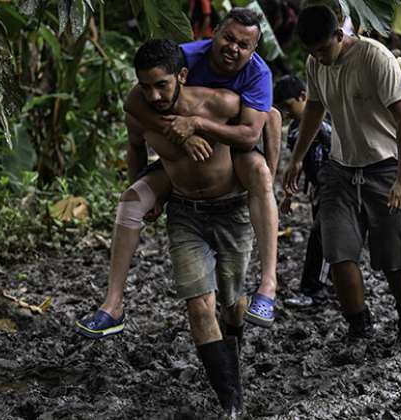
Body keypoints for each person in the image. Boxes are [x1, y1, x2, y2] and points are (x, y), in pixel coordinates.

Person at [75, 8, 281, 339]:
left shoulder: (252, 80)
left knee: (259, 171)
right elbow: (135, 106)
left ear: (253, 50)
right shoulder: (180, 58)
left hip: (231, 160)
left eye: (244, 45)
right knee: (131, 199)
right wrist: (180, 135)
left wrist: (197, 125)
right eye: (228, 37)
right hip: (179, 171)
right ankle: (112, 305)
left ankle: (268, 286)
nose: (233, 48)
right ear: (214, 32)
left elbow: (254, 131)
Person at [120, 39, 248, 417]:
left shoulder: (219, 103)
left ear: (182, 76)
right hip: (185, 212)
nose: (154, 95)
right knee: (197, 305)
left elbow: (263, 124)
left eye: (161, 85)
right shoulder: (139, 113)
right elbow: (135, 147)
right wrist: (149, 191)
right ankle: (230, 402)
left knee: (232, 304)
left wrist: (266, 182)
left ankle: (233, 350)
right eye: (145, 86)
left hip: (232, 210)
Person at [283, 5, 401, 339]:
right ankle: (359, 326)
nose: (318, 56)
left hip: (387, 166)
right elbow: (314, 108)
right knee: (339, 254)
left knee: (396, 262)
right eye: (311, 51)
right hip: (341, 170)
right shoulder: (315, 63)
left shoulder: (375, 57)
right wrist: (297, 158)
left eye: (323, 48)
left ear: (339, 35)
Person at [274, 75, 333, 307]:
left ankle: (315, 288)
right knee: (323, 236)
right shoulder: (294, 131)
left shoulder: (326, 119)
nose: (287, 113)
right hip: (318, 188)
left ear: (303, 97)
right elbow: (296, 166)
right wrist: (289, 194)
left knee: (324, 238)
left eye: (289, 106)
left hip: (335, 187)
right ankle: (321, 286)